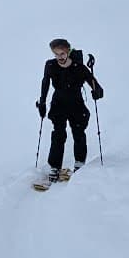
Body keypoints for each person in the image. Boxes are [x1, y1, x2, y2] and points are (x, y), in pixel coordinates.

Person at [38, 37, 103, 178]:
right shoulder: (50, 65)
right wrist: (42, 103)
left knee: (79, 134)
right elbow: (45, 84)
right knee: (58, 136)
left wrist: (96, 91)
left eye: (61, 54)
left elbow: (94, 84)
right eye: (56, 54)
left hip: (76, 105)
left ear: (68, 51)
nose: (59, 57)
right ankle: (54, 167)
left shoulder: (79, 67)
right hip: (58, 105)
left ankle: (79, 164)